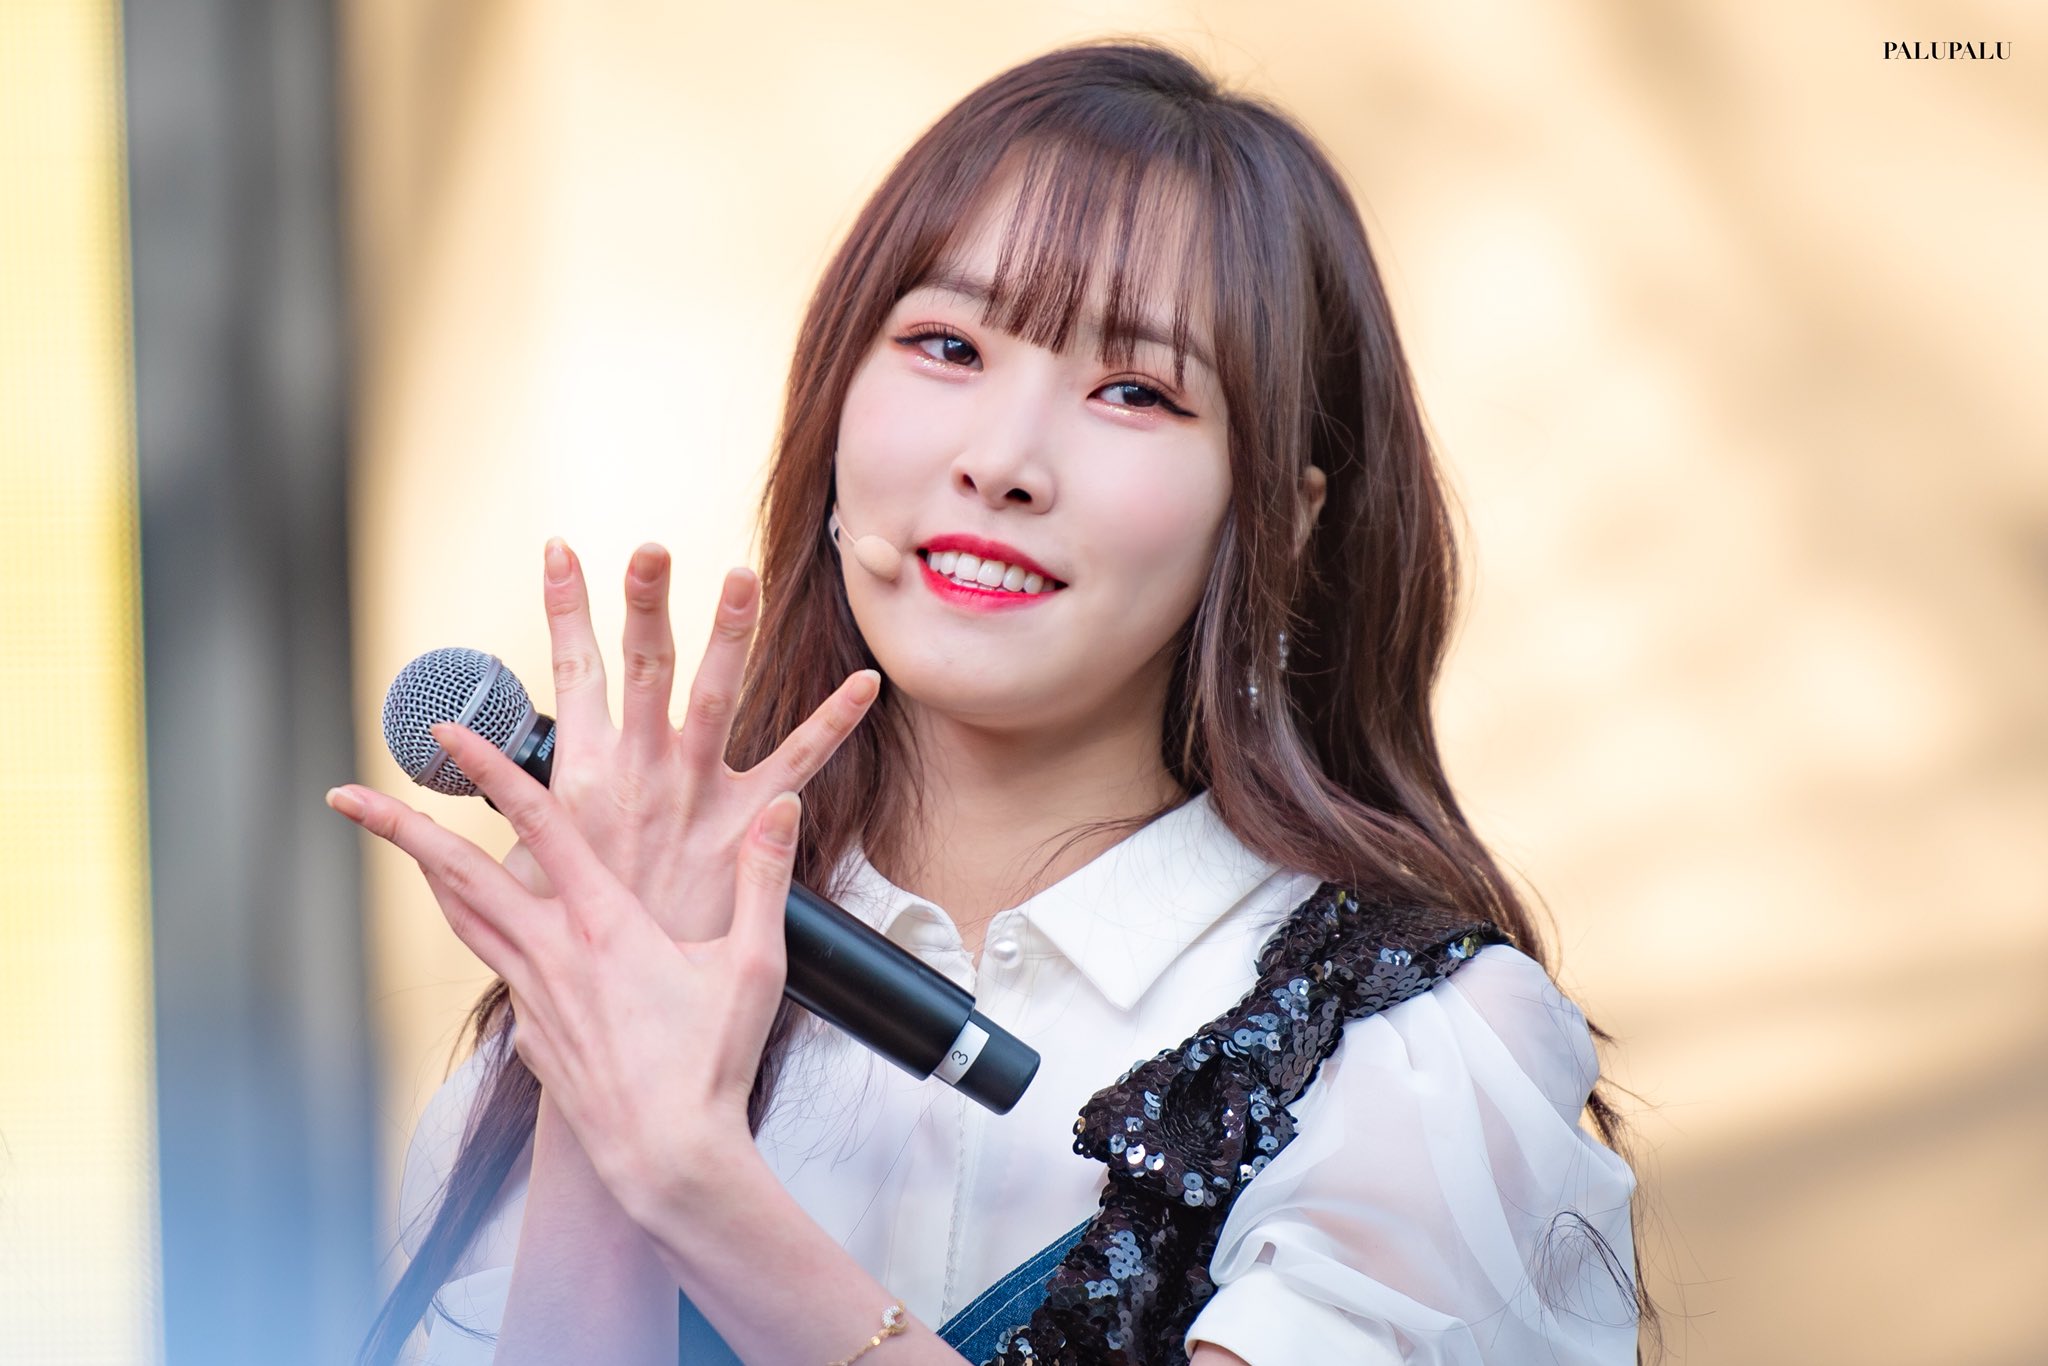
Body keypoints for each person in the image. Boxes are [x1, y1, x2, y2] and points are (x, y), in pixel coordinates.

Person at [330, 40, 1650, 1366]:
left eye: (1136, 391)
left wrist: (691, 1177)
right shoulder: (571, 1023)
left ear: (1281, 517)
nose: (1004, 461)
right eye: (947, 345)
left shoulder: (1416, 1052)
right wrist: (596, 1088)